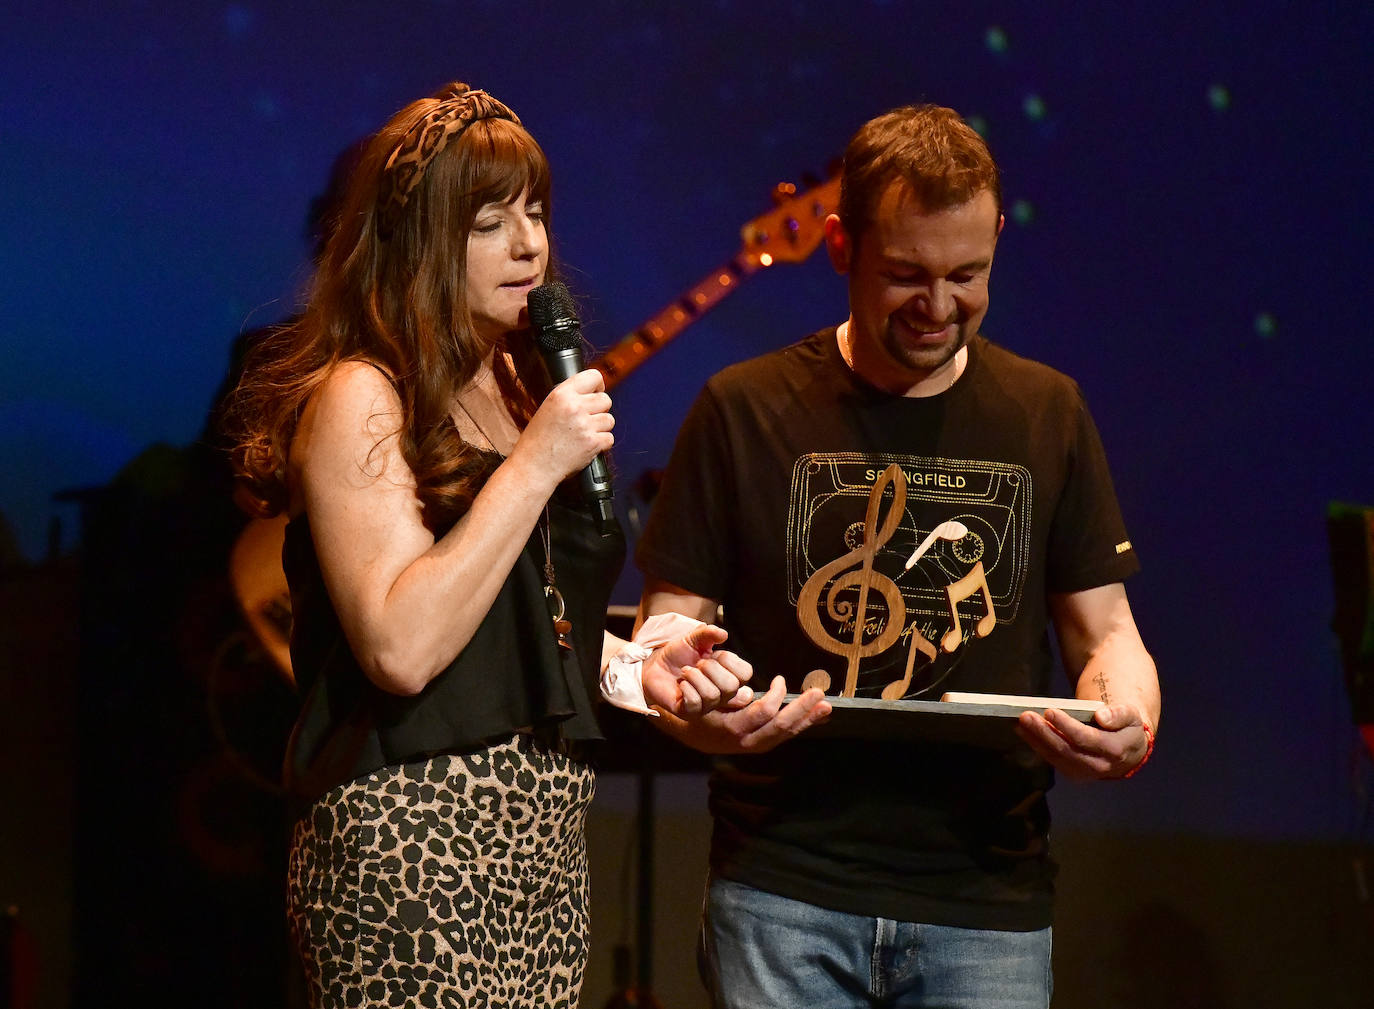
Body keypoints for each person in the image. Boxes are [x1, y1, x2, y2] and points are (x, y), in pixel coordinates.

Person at [226, 81, 751, 1009]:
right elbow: (402, 645)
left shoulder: (513, 386)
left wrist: (640, 672)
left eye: (536, 213)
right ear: (421, 239)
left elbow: (519, 624)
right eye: (488, 221)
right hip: (410, 836)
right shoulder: (362, 394)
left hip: (540, 832)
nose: (529, 245)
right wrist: (537, 463)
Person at [634, 104, 1161, 1008]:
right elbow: (666, 631)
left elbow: (1107, 634)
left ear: (997, 236)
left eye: (968, 274)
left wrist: (1127, 724)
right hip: (782, 890)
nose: (939, 306)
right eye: (906, 275)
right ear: (840, 246)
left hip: (987, 900)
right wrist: (683, 699)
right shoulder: (742, 407)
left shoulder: (1049, 413)